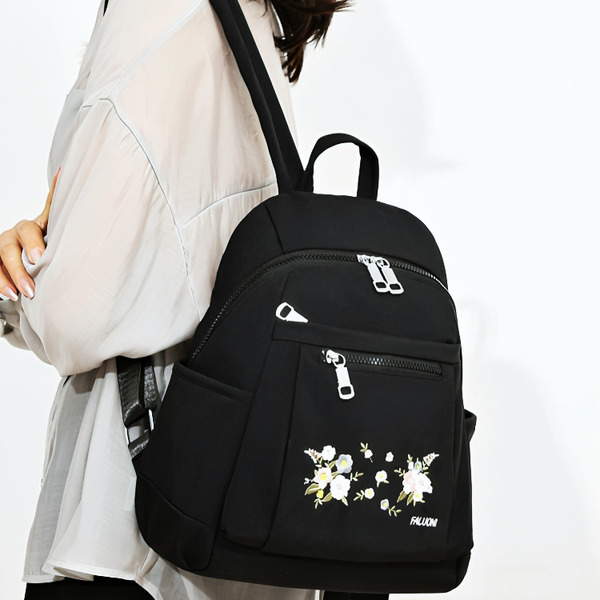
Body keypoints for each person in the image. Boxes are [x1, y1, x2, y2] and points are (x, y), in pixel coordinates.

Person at [0, 0, 350, 598]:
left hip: (141, 521)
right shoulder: (246, 17)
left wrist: (21, 280)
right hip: (247, 522)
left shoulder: (158, 12)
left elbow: (76, 312)